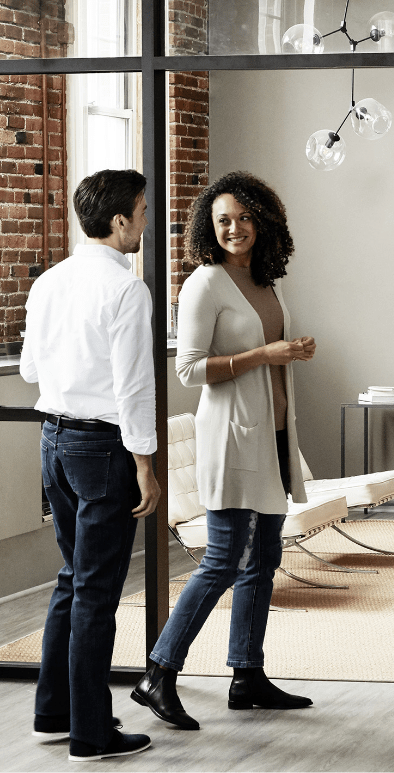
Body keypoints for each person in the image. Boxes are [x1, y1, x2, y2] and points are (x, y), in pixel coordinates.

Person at [132, 171, 316, 729]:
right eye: (222, 220)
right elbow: (188, 369)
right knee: (222, 561)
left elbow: (269, 352)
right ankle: (158, 674)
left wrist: (288, 353)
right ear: (209, 230)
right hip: (232, 436)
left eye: (242, 217)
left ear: (263, 219)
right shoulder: (205, 283)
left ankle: (247, 675)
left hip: (273, 436)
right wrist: (267, 354)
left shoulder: (264, 281)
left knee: (265, 560)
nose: (234, 228)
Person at [20, 169, 161, 761]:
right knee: (96, 592)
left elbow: (29, 370)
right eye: (143, 212)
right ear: (120, 220)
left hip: (53, 441)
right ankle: (91, 733)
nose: (146, 223)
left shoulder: (50, 280)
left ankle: (54, 712)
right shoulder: (127, 289)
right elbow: (133, 390)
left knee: (72, 580)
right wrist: (146, 466)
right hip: (103, 450)